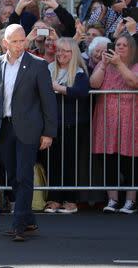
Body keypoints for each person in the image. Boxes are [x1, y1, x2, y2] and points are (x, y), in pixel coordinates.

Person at [0, 24, 57, 242]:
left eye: (22, 40)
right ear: (4, 42)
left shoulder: (38, 65)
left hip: (29, 129)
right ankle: (30, 220)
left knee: (25, 176)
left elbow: (48, 101)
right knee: (14, 176)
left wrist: (48, 133)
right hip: (4, 128)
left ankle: (19, 225)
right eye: (14, 41)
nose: (19, 45)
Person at [89, 34, 138, 214]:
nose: (120, 48)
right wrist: (103, 64)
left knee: (130, 160)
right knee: (108, 160)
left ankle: (130, 201)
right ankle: (112, 199)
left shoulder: (134, 65)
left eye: (124, 45)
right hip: (106, 120)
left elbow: (134, 82)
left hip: (129, 120)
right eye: (117, 44)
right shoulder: (106, 66)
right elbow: (93, 83)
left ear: (132, 49)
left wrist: (118, 64)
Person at [45, 38, 90, 214]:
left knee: (70, 163)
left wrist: (59, 88)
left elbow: (81, 92)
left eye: (65, 51)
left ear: (73, 54)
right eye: (59, 50)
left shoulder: (79, 72)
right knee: (53, 163)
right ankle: (54, 199)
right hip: (52, 125)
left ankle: (70, 200)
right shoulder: (49, 69)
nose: (61, 54)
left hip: (73, 124)